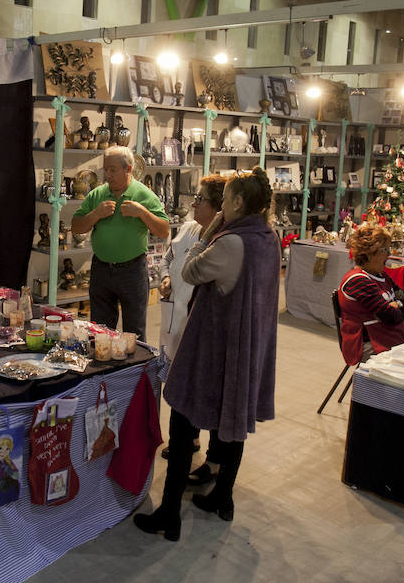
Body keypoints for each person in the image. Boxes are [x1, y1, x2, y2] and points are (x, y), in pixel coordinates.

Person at [134, 167, 279, 541]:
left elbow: (190, 271)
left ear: (236, 203)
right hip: (244, 348)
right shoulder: (268, 237)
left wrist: (210, 232)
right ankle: (222, 498)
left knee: (182, 425)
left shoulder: (231, 242)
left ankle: (169, 514)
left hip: (214, 349)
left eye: (224, 199)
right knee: (231, 425)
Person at [156, 174, 226, 475]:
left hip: (202, 327)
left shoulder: (222, 240)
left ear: (220, 206)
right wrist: (166, 277)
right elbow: (167, 257)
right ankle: (189, 439)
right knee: (177, 378)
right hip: (175, 317)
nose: (193, 204)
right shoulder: (188, 228)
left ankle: (214, 456)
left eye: (200, 200)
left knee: (204, 388)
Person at [72, 146, 169, 341]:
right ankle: (101, 371)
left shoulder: (145, 195)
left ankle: (134, 372)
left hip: (132, 271)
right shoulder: (97, 195)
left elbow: (164, 231)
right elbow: (76, 227)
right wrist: (96, 214)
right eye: (105, 169)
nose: (108, 175)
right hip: (101, 269)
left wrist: (142, 212)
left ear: (129, 169)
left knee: (134, 334)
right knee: (98, 332)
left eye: (113, 170)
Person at [337, 224, 404, 366]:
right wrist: (396, 309)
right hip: (367, 344)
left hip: (388, 338)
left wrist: (398, 304)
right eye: (384, 250)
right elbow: (392, 317)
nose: (388, 254)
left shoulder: (382, 276)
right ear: (369, 253)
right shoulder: (358, 281)